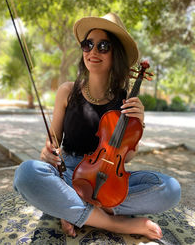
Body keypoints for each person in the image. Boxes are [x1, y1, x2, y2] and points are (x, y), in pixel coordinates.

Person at [14, 13, 181, 240]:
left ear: (116, 55)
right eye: (88, 44)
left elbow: (127, 158)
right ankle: (115, 223)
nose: (93, 51)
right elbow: (51, 143)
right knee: (26, 174)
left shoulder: (125, 101)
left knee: (170, 189)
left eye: (103, 46)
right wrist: (47, 152)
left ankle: (70, 207)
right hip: (69, 171)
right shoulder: (67, 91)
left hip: (109, 177)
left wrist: (137, 124)